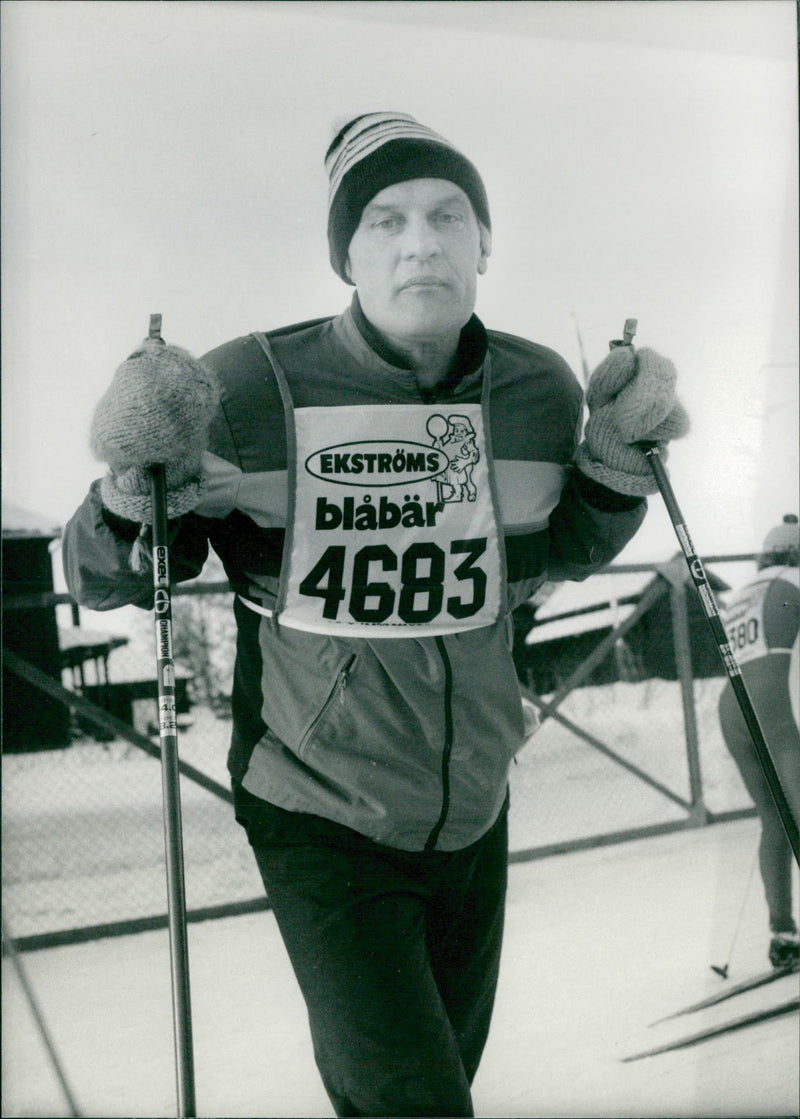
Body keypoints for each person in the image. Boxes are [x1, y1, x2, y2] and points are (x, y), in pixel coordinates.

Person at [63, 111, 689, 1117]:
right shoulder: (248, 383)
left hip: (473, 805)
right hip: (319, 808)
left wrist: (617, 454)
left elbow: (555, 547)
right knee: (416, 1102)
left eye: (448, 215)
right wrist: (132, 488)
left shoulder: (532, 388)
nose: (420, 242)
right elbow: (118, 577)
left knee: (431, 1081)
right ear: (344, 253)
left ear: (483, 242)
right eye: (386, 220)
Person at [718, 514, 800, 969]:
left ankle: (783, 932)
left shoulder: (746, 591)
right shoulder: (795, 579)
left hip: (734, 708)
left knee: (776, 821)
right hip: (775, 704)